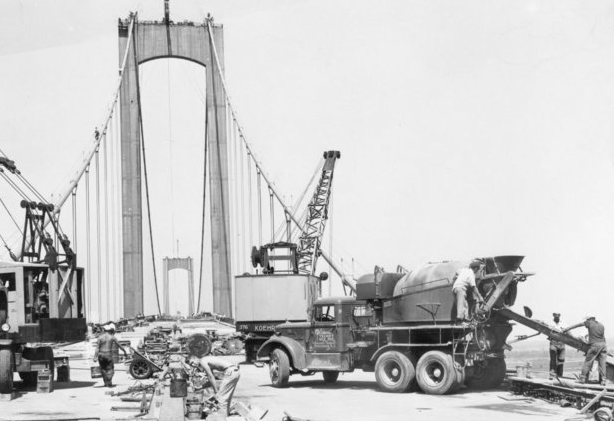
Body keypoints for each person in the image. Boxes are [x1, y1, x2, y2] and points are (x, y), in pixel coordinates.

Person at [565, 316, 607, 385]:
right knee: (602, 364)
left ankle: (582, 379)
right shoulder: (601, 325)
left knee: (588, 362)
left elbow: (577, 325)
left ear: (589, 319)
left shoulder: (589, 322)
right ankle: (603, 380)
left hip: (595, 346)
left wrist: (566, 329)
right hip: (603, 345)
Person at [548, 312, 566, 378]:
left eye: (558, 315)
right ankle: (552, 375)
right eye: (555, 315)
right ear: (553, 315)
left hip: (562, 343)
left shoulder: (563, 323)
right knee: (553, 360)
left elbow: (567, 332)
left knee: (561, 360)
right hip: (553, 342)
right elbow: (548, 331)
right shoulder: (550, 323)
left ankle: (559, 375)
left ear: (560, 315)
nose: (557, 316)